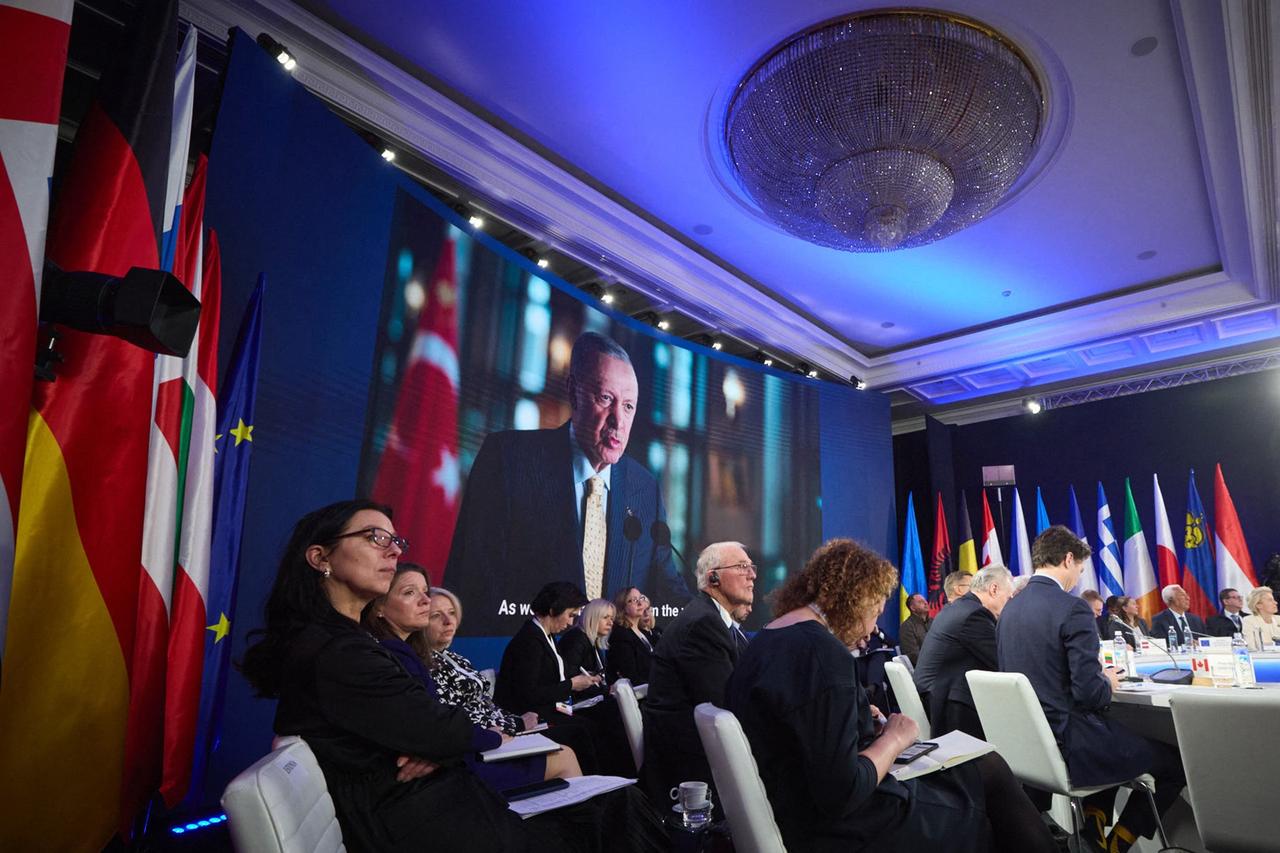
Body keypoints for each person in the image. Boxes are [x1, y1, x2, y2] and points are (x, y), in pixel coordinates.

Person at [726, 539, 1055, 853]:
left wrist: (855, 721)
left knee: (985, 766)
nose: (871, 630)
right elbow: (843, 792)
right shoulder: (822, 655)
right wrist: (895, 738)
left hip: (797, 814)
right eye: (874, 614)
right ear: (855, 600)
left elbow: (803, 731)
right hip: (849, 831)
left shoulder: (769, 638)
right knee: (992, 777)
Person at [238, 500, 528, 851]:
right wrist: (445, 742)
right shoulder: (340, 651)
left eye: (396, 541)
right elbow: (443, 730)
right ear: (320, 558)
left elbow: (433, 732)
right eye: (375, 537)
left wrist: (435, 746)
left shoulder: (343, 639)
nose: (393, 551)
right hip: (420, 826)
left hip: (434, 814)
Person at [445, 332, 690, 634]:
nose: (618, 420)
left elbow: (666, 587)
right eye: (605, 399)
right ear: (573, 392)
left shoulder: (645, 488)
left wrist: (714, 619)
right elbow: (473, 580)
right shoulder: (509, 459)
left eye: (628, 406)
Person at [997, 526, 1185, 853]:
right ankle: (1116, 845)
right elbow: (1089, 694)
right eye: (1080, 569)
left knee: (1116, 738)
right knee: (1176, 763)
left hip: (1032, 743)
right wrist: (1106, 680)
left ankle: (1093, 832)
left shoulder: (1010, 608)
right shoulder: (1072, 608)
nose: (1079, 578)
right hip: (1071, 744)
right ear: (1068, 559)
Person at [362, 564, 582, 790]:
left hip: (483, 739)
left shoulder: (447, 657)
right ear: (378, 607)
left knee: (578, 735)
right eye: (409, 592)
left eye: (425, 593)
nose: (425, 602)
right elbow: (437, 723)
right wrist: (505, 730)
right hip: (469, 756)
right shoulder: (394, 656)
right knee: (571, 746)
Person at [642, 541, 754, 809]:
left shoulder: (712, 620)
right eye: (742, 567)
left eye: (752, 567)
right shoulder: (703, 624)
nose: (752, 575)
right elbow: (728, 706)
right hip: (690, 769)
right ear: (713, 577)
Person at [912, 564, 1013, 738]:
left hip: (933, 694)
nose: (1009, 604)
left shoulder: (958, 608)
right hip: (945, 705)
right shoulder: (974, 615)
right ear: (994, 589)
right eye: (1008, 597)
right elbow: (1002, 662)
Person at [494, 581, 603, 717]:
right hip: (529, 717)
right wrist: (571, 685)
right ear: (552, 610)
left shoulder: (546, 636)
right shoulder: (529, 641)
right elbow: (528, 694)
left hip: (549, 710)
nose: (571, 623)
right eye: (570, 615)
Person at [559, 598, 615, 687]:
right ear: (592, 617)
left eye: (612, 619)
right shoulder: (576, 639)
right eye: (605, 617)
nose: (610, 623)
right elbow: (570, 678)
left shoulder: (593, 640)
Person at [606, 587, 656, 685]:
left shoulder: (643, 632)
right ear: (623, 608)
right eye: (633, 600)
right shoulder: (621, 635)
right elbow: (630, 675)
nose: (640, 603)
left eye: (640, 598)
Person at [1241, 586, 1280, 651]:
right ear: (1258, 605)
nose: (1275, 603)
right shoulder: (1249, 621)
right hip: (1262, 659)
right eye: (1270, 600)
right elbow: (1251, 647)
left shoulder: (1279, 619)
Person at [898, 593, 931, 665]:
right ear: (913, 608)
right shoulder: (907, 627)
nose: (925, 603)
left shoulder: (934, 622)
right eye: (920, 602)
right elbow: (913, 655)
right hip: (924, 668)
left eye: (925, 600)